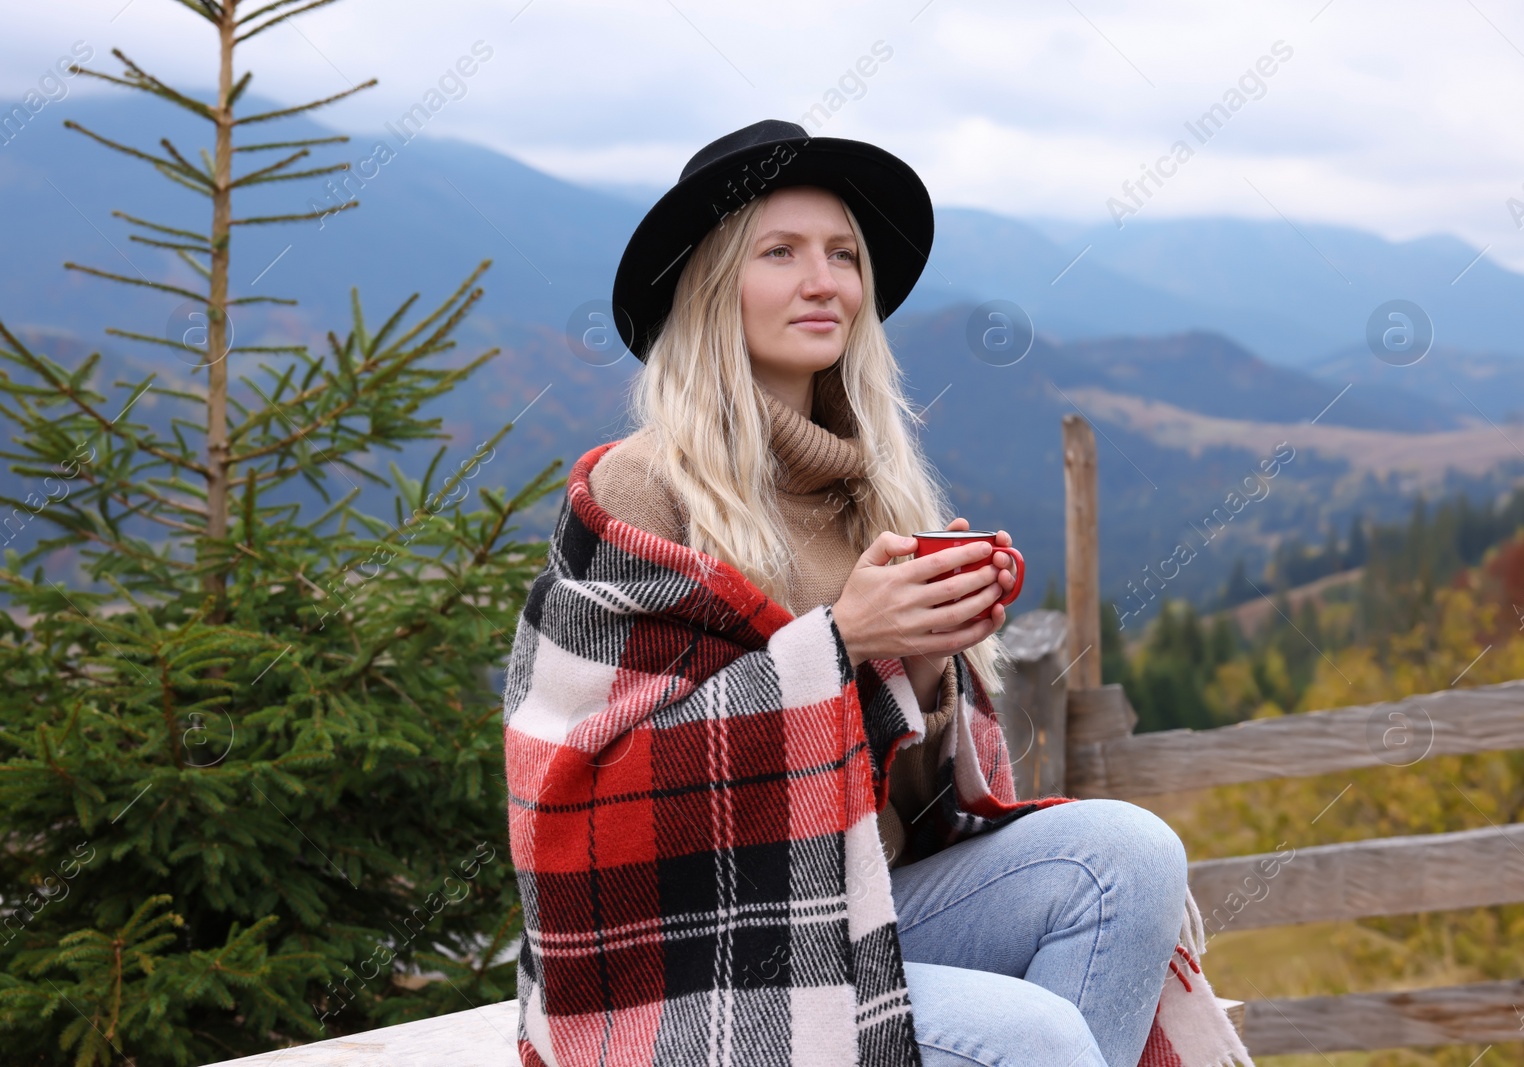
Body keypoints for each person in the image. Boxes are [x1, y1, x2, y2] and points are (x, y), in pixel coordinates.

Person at [503, 119, 1250, 1067]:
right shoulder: (640, 490)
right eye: (781, 252)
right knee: (1040, 1035)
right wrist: (841, 641)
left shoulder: (873, 492)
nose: (826, 281)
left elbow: (904, 805)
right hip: (698, 955)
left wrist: (931, 657)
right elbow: (579, 793)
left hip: (859, 906)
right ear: (710, 284)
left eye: (843, 255)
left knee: (1130, 855)